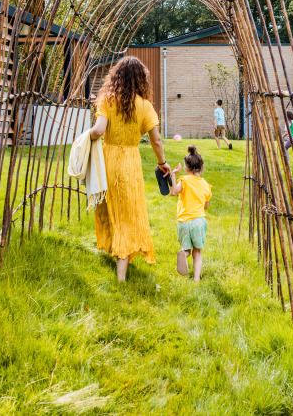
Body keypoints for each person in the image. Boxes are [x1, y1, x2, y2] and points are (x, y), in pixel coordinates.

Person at [89, 56, 171, 282]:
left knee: (109, 208)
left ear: (116, 77)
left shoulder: (107, 99)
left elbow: (98, 130)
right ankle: (121, 275)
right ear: (140, 79)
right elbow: (156, 141)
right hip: (130, 163)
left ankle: (114, 250)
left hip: (107, 161)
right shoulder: (145, 106)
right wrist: (162, 162)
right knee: (127, 213)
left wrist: (86, 137)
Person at [169, 145, 212, 282]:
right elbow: (206, 205)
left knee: (187, 248)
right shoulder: (206, 186)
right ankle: (196, 279)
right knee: (197, 251)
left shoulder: (185, 180)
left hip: (184, 222)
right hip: (198, 222)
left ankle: (184, 253)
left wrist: (173, 175)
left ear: (186, 169)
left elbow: (173, 192)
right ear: (202, 168)